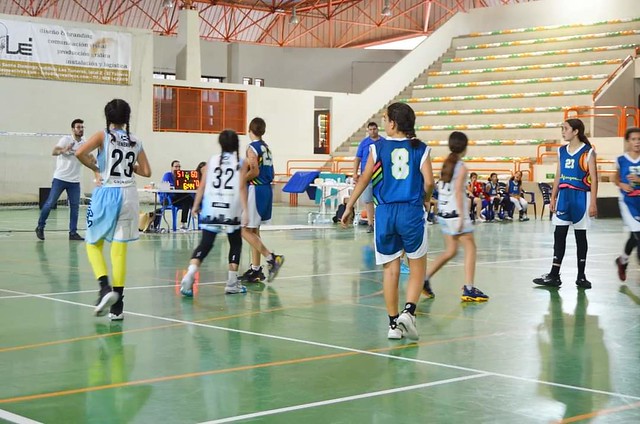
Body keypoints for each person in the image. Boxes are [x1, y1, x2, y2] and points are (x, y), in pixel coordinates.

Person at [341, 102, 434, 340]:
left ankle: (393, 324)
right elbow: (429, 183)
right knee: (417, 266)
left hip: (384, 214)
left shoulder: (377, 148)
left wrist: (349, 205)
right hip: (410, 212)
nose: (383, 123)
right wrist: (425, 199)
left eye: (385, 119)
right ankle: (409, 312)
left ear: (393, 123)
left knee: (390, 269)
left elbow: (363, 179)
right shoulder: (420, 148)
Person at [75, 99, 152, 320]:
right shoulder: (136, 141)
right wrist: (130, 165)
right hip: (129, 195)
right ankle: (118, 307)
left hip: (107, 192)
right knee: (119, 250)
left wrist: (96, 167)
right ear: (126, 118)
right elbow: (146, 171)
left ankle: (104, 288)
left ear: (108, 117)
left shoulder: (103, 136)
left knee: (92, 243)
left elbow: (80, 153)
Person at [422, 131, 489, 303]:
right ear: (464, 148)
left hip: (444, 214)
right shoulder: (461, 167)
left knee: (451, 251)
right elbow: (459, 193)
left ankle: (425, 278)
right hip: (455, 214)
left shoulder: (447, 163)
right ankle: (469, 287)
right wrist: (461, 218)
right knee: (471, 248)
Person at [180, 130, 248, 296]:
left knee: (206, 243)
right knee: (235, 243)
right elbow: (241, 187)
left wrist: (196, 205)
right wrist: (246, 210)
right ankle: (232, 282)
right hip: (230, 205)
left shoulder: (212, 161)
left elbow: (202, 186)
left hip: (212, 206)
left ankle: (190, 273)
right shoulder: (241, 162)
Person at [533, 118, 597, 289]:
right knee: (558, 235)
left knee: (580, 236)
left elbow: (594, 178)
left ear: (576, 131)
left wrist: (593, 203)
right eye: (562, 128)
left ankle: (581, 276)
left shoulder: (588, 152)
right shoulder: (561, 151)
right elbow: (558, 176)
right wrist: (553, 197)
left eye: (565, 128)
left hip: (581, 197)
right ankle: (554, 274)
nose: (562, 131)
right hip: (563, 196)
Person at [239, 117, 284, 283]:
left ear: (249, 130)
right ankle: (256, 270)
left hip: (256, 189)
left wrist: (241, 179)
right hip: (266, 189)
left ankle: (272, 258)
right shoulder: (266, 148)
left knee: (243, 229)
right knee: (254, 231)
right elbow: (269, 171)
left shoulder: (252, 147)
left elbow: (255, 171)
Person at [36, 118, 87, 241]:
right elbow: (54, 152)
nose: (81, 129)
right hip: (60, 178)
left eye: (82, 127)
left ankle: (73, 233)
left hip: (74, 181)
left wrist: (92, 160)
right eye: (78, 127)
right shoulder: (66, 140)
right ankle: (40, 226)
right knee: (50, 203)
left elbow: (87, 155)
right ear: (73, 129)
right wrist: (65, 150)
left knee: (75, 207)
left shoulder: (84, 142)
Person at [614, 127, 640, 281]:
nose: (637, 142)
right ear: (628, 141)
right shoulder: (621, 159)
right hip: (628, 202)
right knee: (639, 234)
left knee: (634, 236)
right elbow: (615, 178)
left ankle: (622, 261)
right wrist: (622, 185)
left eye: (639, 139)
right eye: (634, 139)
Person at [353, 122, 385, 233]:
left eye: (374, 129)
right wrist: (355, 173)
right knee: (368, 200)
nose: (373, 131)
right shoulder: (364, 143)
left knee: (382, 200)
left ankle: (382, 223)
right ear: (368, 130)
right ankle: (371, 224)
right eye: (370, 129)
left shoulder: (384, 142)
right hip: (367, 177)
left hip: (381, 177)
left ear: (378, 129)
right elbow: (358, 158)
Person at [160, 160, 194, 231]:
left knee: (187, 199)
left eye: (179, 167)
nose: (178, 168)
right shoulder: (167, 175)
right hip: (172, 198)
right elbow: (163, 187)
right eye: (176, 167)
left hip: (181, 197)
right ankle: (194, 211)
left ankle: (183, 223)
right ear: (171, 168)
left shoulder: (182, 175)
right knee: (188, 200)